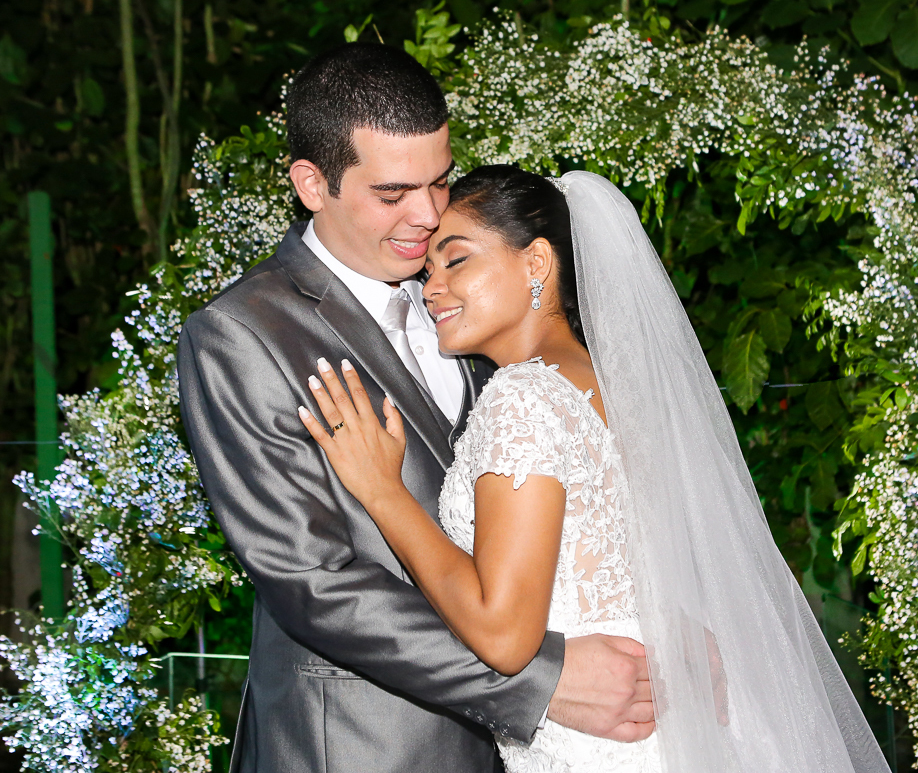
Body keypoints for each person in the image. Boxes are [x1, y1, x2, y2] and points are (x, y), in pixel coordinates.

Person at [297, 166, 893, 773]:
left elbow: (505, 638)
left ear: (535, 264)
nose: (432, 288)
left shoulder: (523, 398)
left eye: (457, 261)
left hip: (601, 743)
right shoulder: (610, 389)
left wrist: (383, 492)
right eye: (428, 272)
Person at [177, 45, 653, 773]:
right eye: (394, 193)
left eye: (439, 181)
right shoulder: (243, 336)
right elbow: (316, 581)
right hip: (368, 746)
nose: (429, 214)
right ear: (312, 184)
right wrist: (543, 683)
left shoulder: (474, 300)